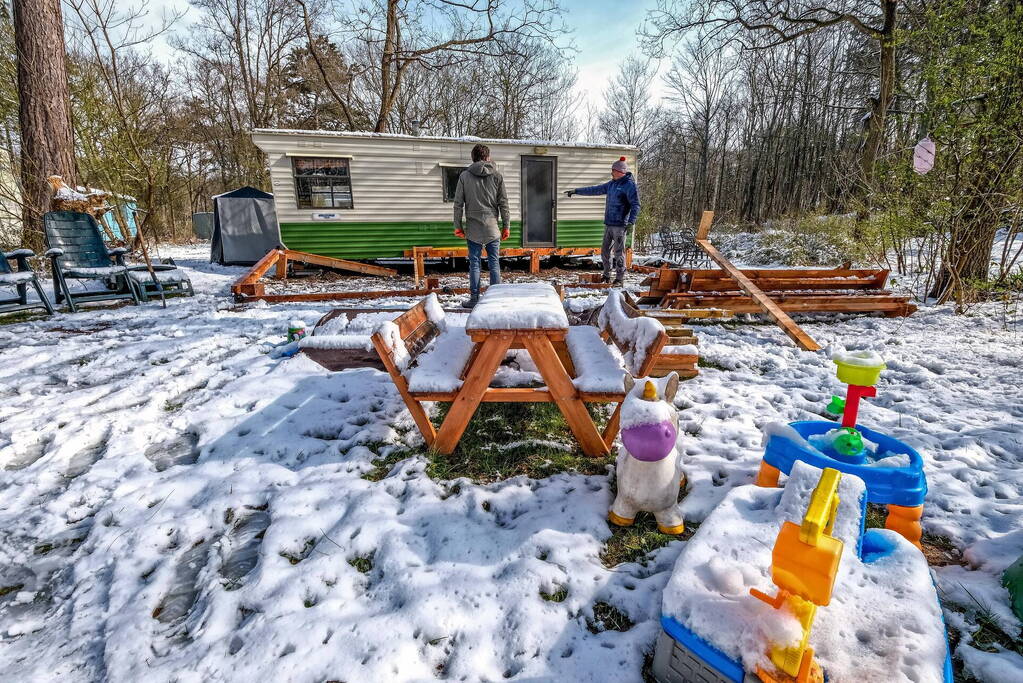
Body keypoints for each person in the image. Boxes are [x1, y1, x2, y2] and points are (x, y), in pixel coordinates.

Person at [564, 156, 640, 286]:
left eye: (613, 170)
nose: (611, 173)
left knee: (619, 252)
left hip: (620, 225)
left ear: (620, 171)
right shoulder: (612, 184)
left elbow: (636, 205)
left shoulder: (629, 185)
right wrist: (577, 191)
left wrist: (631, 222)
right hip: (609, 224)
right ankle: (606, 275)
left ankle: (619, 278)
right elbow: (595, 189)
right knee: (605, 251)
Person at [453, 143, 510, 308]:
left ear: (473, 158)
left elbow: (458, 204)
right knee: (494, 262)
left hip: (473, 228)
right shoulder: (497, 176)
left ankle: (474, 299)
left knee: (475, 263)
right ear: (487, 157)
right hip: (492, 226)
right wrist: (506, 226)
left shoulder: (464, 176)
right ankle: (495, 299)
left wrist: (458, 226)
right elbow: (503, 203)